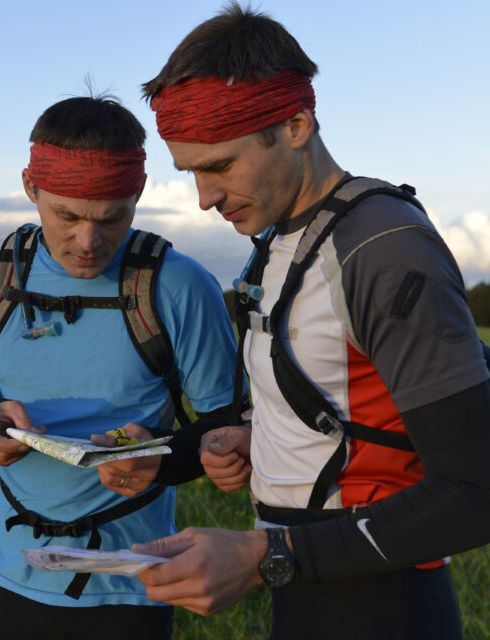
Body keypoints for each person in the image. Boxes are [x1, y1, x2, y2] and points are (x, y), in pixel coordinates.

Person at [115, 5, 490, 639]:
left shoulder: (381, 247)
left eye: (220, 165)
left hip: (383, 604)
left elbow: (476, 490)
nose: (203, 197)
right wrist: (197, 450)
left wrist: (270, 557)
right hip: (314, 589)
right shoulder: (287, 237)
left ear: (296, 124)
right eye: (191, 172)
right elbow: (340, 405)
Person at [0, 94, 243, 640]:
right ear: (31, 188)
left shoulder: (179, 284)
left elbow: (226, 427)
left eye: (112, 218)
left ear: (138, 194)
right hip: (11, 571)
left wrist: (159, 460)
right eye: (66, 216)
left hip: (128, 582)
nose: (88, 241)